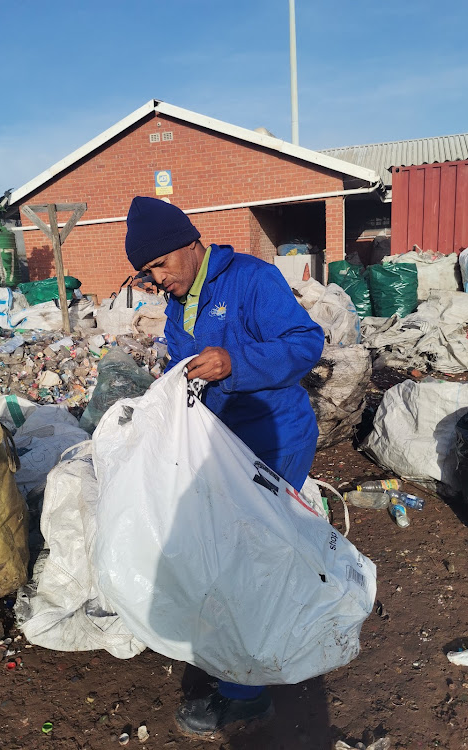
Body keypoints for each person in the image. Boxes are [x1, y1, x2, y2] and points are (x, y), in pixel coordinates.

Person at [125, 196, 325, 736]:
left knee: (245, 558)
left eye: (160, 265)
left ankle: (247, 695)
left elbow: (307, 342)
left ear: (190, 242)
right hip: (223, 445)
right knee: (229, 550)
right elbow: (185, 368)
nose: (156, 279)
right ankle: (251, 651)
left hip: (273, 437)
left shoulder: (251, 280)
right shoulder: (178, 303)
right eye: (147, 273)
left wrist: (236, 362)